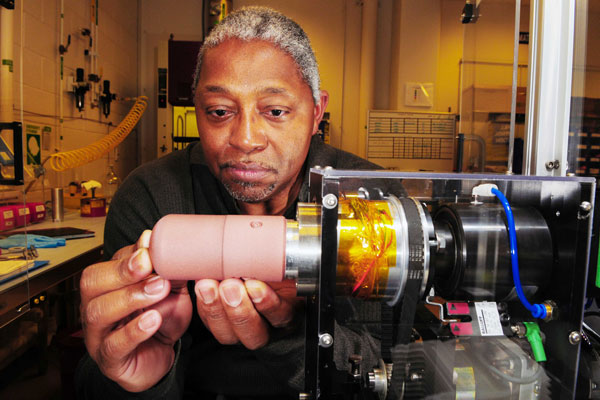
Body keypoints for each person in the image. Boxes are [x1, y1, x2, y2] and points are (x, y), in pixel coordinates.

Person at [76, 7, 384, 399]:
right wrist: (137, 380)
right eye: (220, 112)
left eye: (275, 111)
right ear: (198, 111)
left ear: (316, 112)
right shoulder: (151, 196)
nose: (245, 139)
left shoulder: (368, 200)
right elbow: (95, 379)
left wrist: (292, 331)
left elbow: (391, 367)